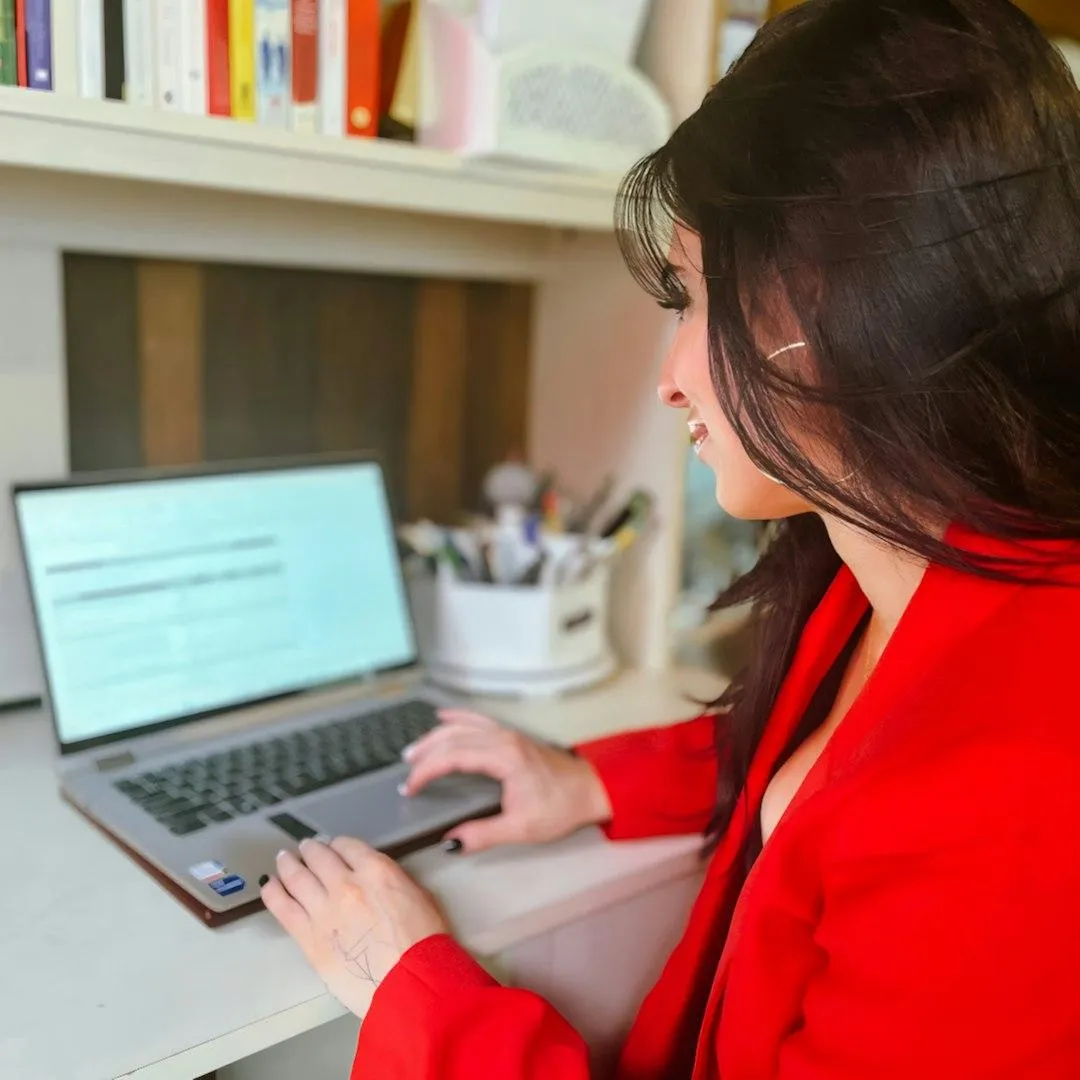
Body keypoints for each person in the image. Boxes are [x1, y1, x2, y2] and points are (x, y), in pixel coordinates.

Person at [258, 0, 1080, 1076]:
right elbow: (833, 758)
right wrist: (588, 782)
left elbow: (907, 812)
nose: (667, 377)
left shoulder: (1021, 799)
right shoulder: (914, 569)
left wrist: (421, 995)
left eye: (694, 298)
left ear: (847, 306)